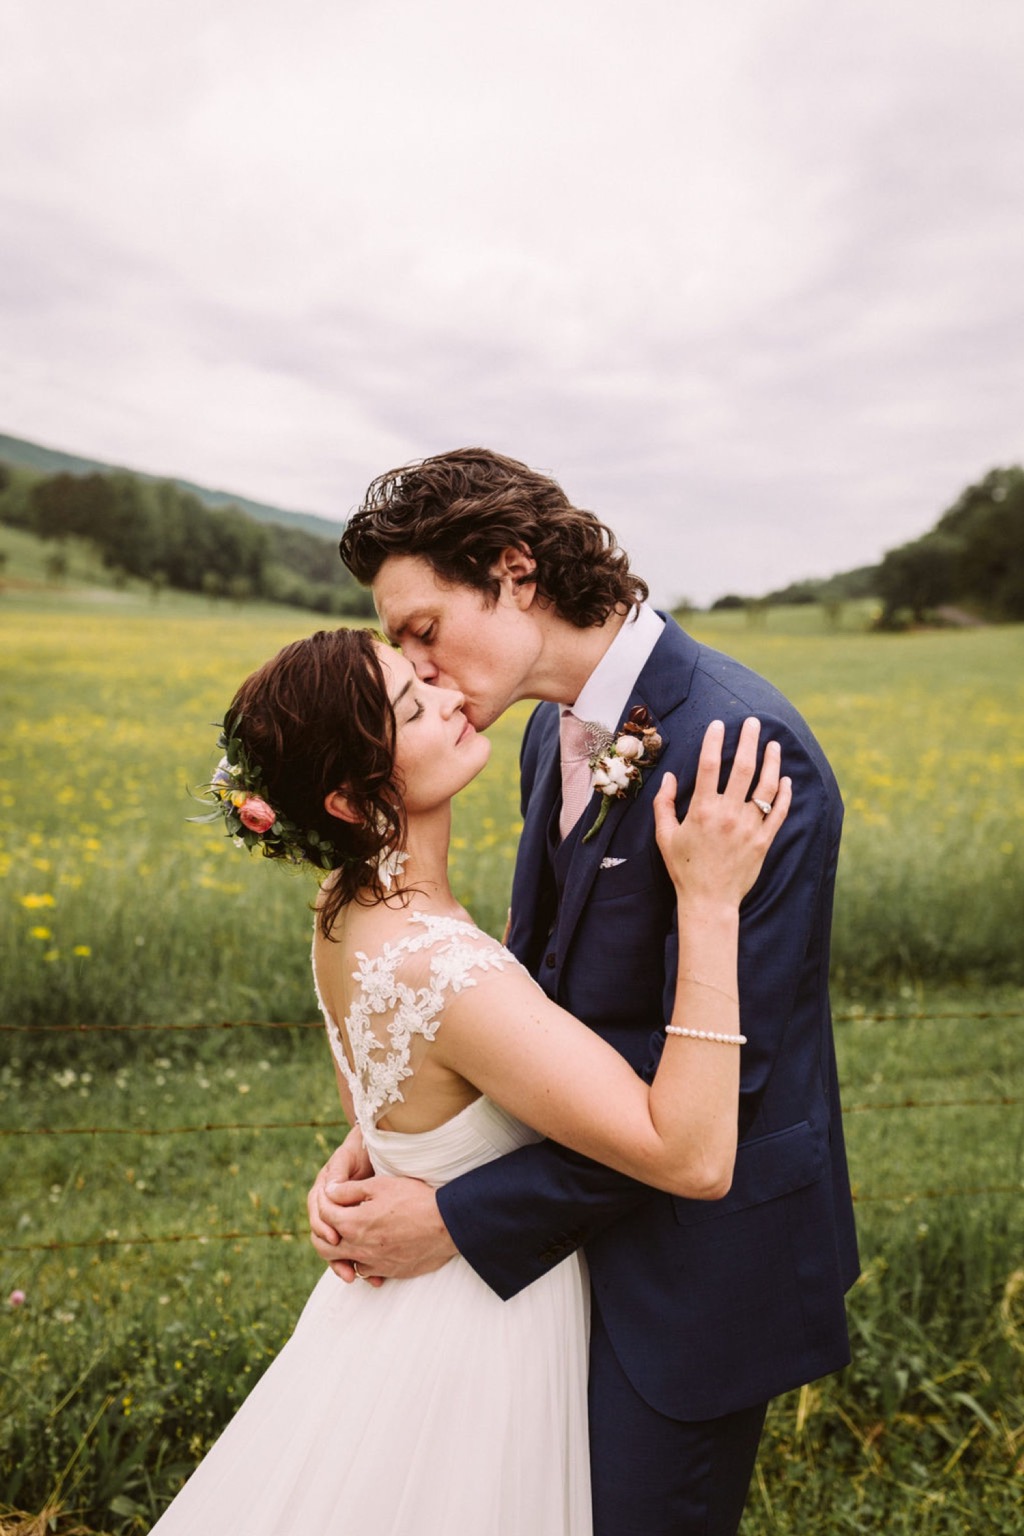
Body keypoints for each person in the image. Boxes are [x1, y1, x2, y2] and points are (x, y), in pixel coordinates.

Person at [309, 448, 860, 1536]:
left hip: (693, 1266)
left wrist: (459, 1215)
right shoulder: (538, 735)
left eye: (422, 629)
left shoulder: (739, 752)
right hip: (569, 1258)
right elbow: (534, 993)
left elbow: (716, 1088)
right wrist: (397, 1135)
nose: (416, 666)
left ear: (514, 570)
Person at [153, 624, 789, 1535]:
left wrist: (378, 1147)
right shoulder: (441, 969)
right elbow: (687, 1154)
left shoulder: (344, 911)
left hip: (410, 1306)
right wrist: (711, 901)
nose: (450, 697)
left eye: (421, 677)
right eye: (414, 706)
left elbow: (387, 1087)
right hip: (486, 1330)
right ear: (351, 795)